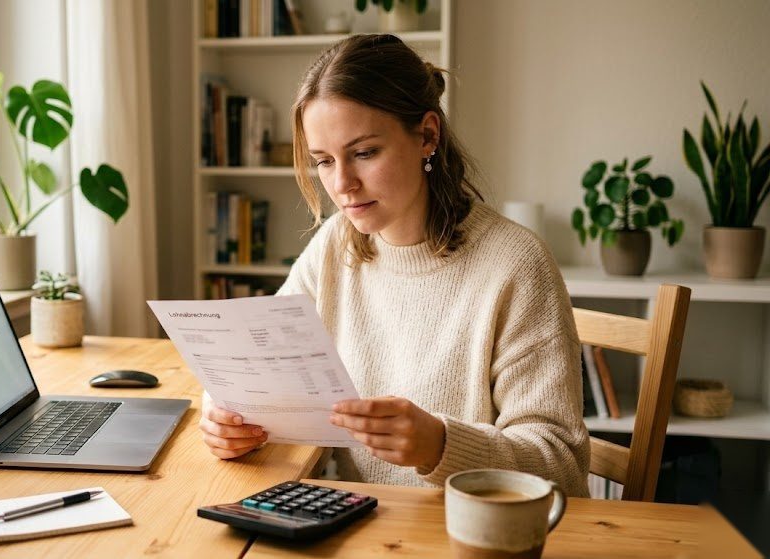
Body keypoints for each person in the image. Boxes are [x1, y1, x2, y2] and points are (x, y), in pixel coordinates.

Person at [199, 34, 590, 497]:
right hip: (358, 523)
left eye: (364, 153)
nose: (341, 184)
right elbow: (260, 370)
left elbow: (561, 465)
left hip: (467, 534)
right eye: (324, 161)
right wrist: (226, 415)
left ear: (427, 135)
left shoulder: (516, 265)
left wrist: (441, 446)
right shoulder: (334, 246)